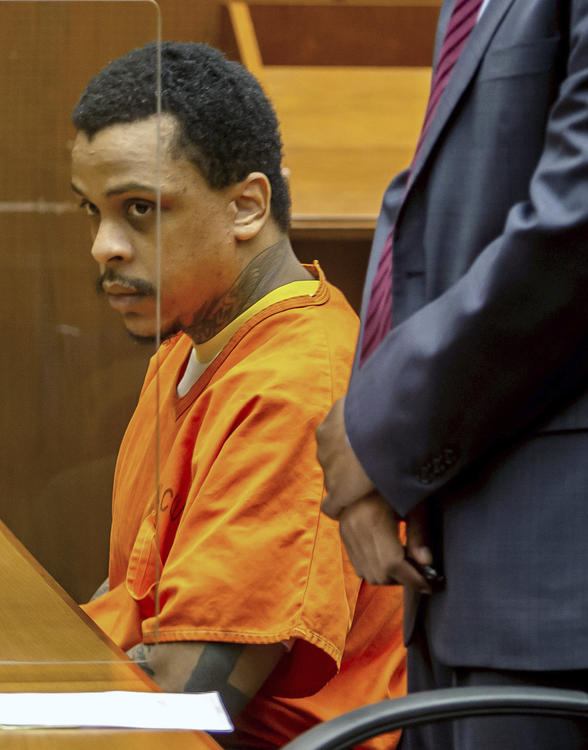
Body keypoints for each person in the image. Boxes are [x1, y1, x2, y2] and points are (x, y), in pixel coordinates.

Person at [316, 0, 588, 748]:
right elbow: (427, 209)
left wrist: (379, 436)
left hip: (583, 584)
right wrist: (376, 443)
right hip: (458, 571)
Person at [70, 42, 406, 749]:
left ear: (247, 206)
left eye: (139, 209)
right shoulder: (185, 349)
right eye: (92, 212)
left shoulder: (297, 384)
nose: (104, 246)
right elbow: (127, 609)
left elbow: (186, 703)